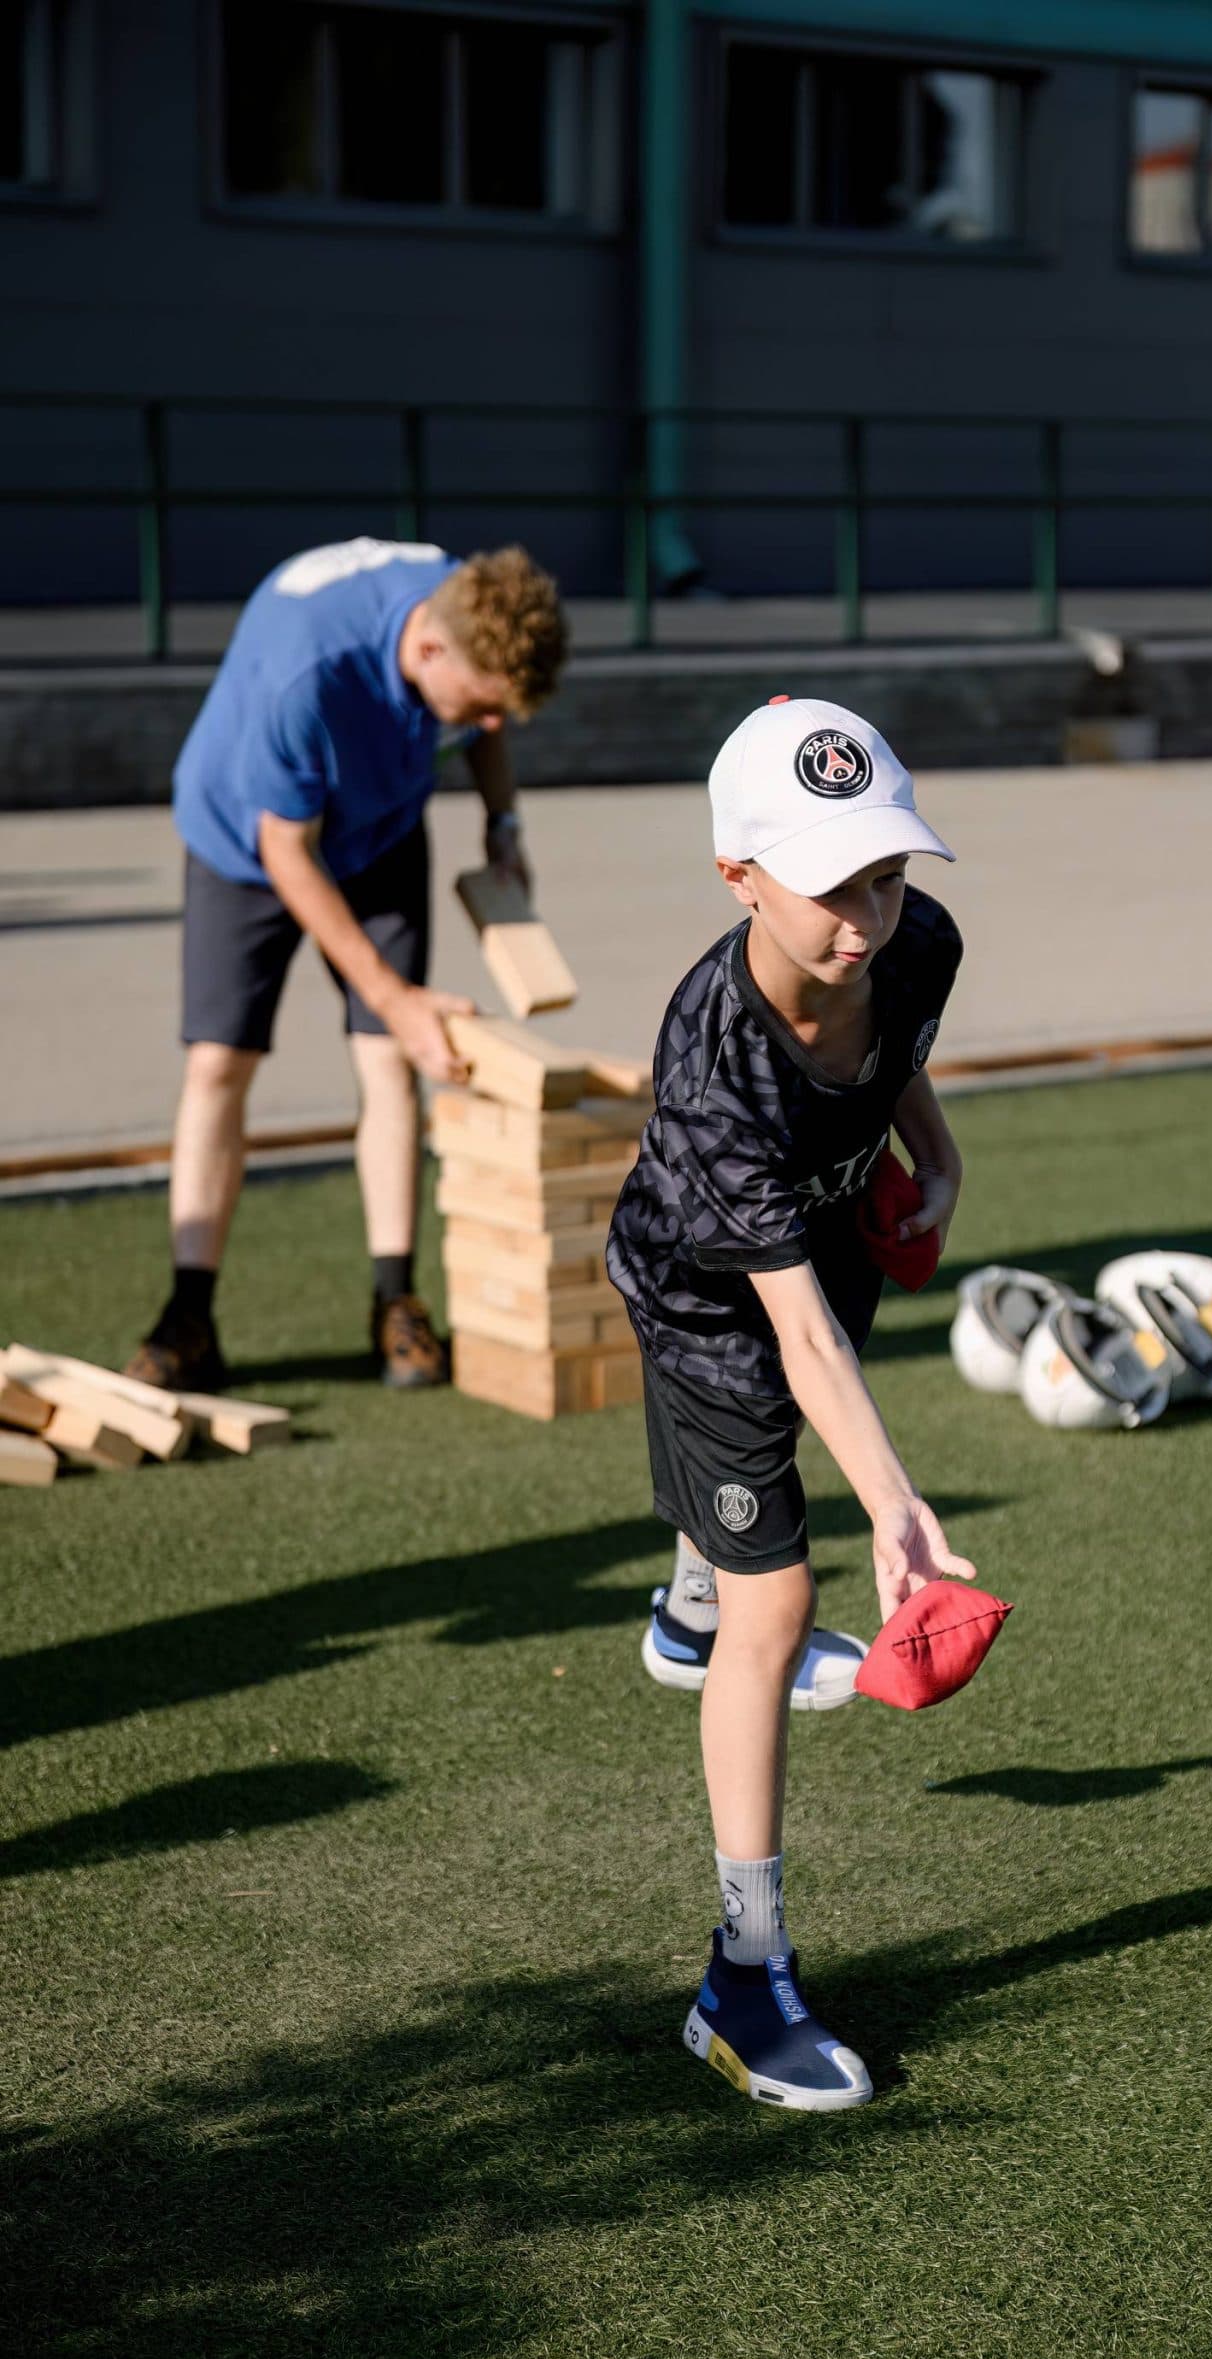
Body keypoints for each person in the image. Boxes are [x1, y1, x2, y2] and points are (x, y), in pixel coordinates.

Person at [606, 696, 971, 2110]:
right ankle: (740, 1979)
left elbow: (900, 1049)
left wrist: (934, 1153)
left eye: (886, 874)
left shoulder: (921, 939)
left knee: (736, 1559)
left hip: (827, 1239)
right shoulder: (710, 1070)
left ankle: (688, 1605)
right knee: (777, 1593)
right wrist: (899, 1509)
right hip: (708, 1298)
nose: (867, 921)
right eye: (832, 890)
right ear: (738, 878)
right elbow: (801, 1349)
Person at [127, 537, 567, 1394]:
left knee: (389, 1062)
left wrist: (502, 824)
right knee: (220, 1063)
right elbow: (287, 853)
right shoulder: (307, 677)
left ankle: (395, 1302)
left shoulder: (465, 605)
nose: (485, 727)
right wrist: (395, 994)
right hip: (248, 844)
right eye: (475, 707)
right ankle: (188, 1314)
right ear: (428, 649)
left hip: (381, 830)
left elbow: (487, 720)